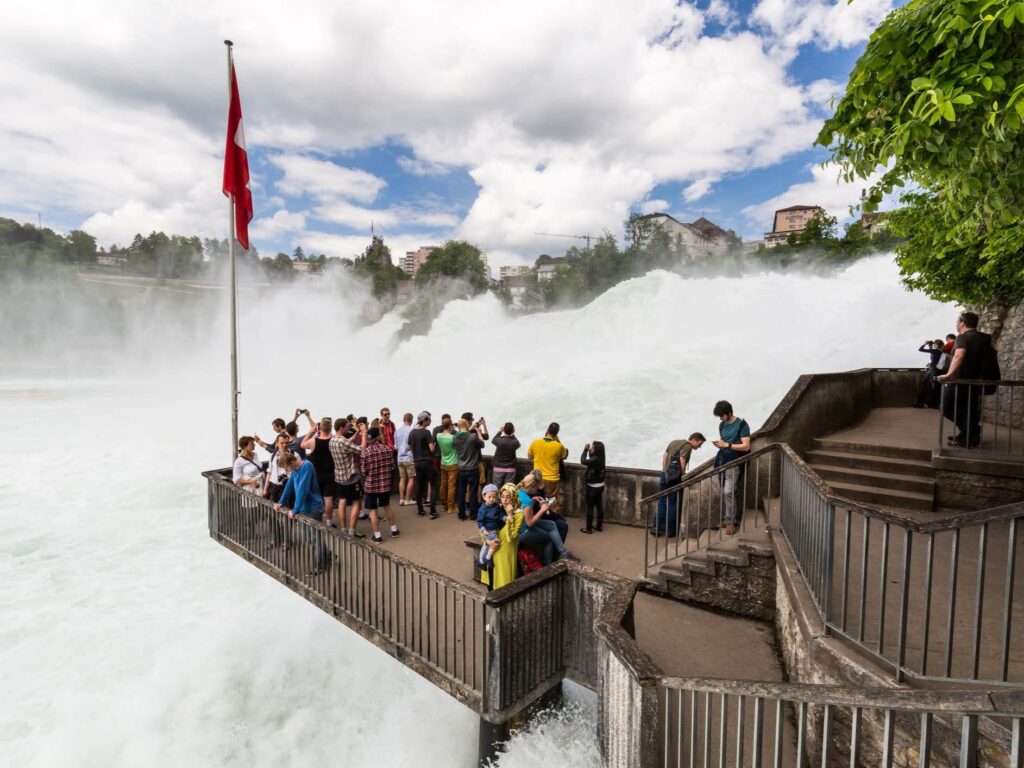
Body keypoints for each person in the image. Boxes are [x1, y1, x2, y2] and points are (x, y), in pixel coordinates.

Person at [937, 312, 994, 448]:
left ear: (962, 323)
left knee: (946, 407)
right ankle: (968, 436)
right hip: (974, 381)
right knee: (969, 409)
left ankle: (970, 432)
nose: (956, 324)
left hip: (959, 381)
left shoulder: (962, 337)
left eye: (957, 322)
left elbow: (959, 355)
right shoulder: (982, 338)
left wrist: (948, 375)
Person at [274, 453, 330, 574]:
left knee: (316, 538)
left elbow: (302, 489)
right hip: (303, 509)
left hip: (314, 507)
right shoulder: (295, 470)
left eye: (286, 468)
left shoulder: (307, 466)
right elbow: (289, 486)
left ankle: (319, 566)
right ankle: (327, 555)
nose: (286, 470)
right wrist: (280, 502)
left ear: (291, 463)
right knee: (309, 538)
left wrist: (295, 509)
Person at [651, 433, 706, 537]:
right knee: (673, 504)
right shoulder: (687, 446)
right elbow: (682, 460)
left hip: (664, 475)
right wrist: (682, 475)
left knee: (662, 501)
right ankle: (670, 531)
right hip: (674, 479)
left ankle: (656, 528)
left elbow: (664, 456)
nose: (699, 447)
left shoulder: (674, 442)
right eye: (699, 443)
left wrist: (665, 471)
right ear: (694, 440)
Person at [516, 474, 577, 564]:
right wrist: (542, 510)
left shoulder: (520, 491)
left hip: (521, 522)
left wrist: (533, 499)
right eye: (537, 487)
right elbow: (530, 523)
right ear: (532, 486)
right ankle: (547, 564)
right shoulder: (527, 501)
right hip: (523, 529)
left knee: (551, 524)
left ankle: (563, 552)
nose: (538, 489)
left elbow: (523, 509)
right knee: (548, 538)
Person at [712, 401, 751, 536]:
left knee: (728, 491)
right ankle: (729, 517)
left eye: (722, 415)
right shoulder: (722, 425)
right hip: (723, 460)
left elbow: (746, 446)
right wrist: (721, 445)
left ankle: (731, 521)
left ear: (729, 413)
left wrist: (727, 445)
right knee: (726, 490)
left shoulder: (742, 425)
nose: (720, 418)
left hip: (735, 462)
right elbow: (725, 442)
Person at [359, 427, 399, 542]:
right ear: (378, 436)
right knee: (387, 506)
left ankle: (377, 536)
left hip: (371, 485)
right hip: (385, 484)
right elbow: (392, 466)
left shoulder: (365, 452)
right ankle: (394, 530)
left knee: (373, 510)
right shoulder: (387, 449)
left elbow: (364, 471)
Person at [481, 483, 524, 590]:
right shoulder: (495, 508)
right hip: (492, 550)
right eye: (502, 496)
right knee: (491, 581)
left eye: (508, 497)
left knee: (504, 584)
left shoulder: (519, 514)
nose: (504, 500)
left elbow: (511, 537)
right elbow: (481, 526)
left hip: (506, 552)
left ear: (514, 497)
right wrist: (487, 541)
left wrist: (510, 516)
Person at [329, 418, 364, 537]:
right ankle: (352, 531)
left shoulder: (332, 440)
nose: (348, 428)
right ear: (341, 427)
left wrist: (357, 432)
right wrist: (363, 433)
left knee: (342, 502)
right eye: (347, 426)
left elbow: (348, 442)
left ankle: (343, 529)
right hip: (351, 477)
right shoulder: (343, 441)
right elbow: (361, 449)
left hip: (339, 477)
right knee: (356, 502)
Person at [301, 417, 336, 526]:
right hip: (330, 473)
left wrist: (311, 431)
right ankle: (329, 522)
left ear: (320, 428)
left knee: (317, 498)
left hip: (316, 475)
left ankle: (318, 521)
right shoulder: (334, 440)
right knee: (328, 499)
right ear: (330, 428)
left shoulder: (313, 442)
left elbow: (302, 444)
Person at [528, 422, 569, 504]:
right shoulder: (558, 446)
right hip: (552, 479)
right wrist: (558, 441)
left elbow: (530, 457)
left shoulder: (536, 442)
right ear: (557, 433)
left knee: (537, 501)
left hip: (537, 477)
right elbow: (564, 456)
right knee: (550, 503)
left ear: (547, 430)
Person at [454, 418, 486, 520]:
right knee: (473, 492)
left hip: (461, 469)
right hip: (473, 468)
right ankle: (473, 515)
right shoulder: (473, 437)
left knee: (461, 492)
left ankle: (461, 515)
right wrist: (478, 431)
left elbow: (460, 433)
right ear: (467, 425)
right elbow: (482, 444)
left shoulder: (455, 438)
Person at [410, 412, 438, 518]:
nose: (430, 421)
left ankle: (420, 510)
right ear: (425, 420)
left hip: (417, 462)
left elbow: (409, 445)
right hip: (427, 462)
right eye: (429, 419)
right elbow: (431, 449)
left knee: (418, 485)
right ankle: (433, 511)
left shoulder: (412, 432)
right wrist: (434, 445)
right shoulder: (426, 432)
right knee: (434, 485)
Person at [579, 441, 606, 534]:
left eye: (592, 447)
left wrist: (585, 450)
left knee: (590, 507)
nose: (591, 448)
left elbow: (583, 461)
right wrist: (590, 452)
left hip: (592, 487)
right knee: (599, 506)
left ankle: (588, 529)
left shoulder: (595, 459)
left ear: (597, 450)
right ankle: (599, 526)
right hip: (600, 485)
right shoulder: (601, 458)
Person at [262, 431, 296, 502]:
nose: (284, 445)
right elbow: (269, 473)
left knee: (288, 509)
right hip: (275, 486)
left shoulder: (294, 454)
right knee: (274, 509)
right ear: (277, 443)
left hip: (289, 486)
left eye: (286, 443)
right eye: (282, 443)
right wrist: (265, 489)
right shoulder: (272, 456)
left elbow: (299, 471)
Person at [477, 484, 503, 569]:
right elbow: (480, 521)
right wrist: (483, 529)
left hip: (495, 529)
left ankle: (481, 561)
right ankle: (488, 558)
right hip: (488, 530)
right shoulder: (483, 509)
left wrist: (504, 517)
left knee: (487, 545)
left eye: (494, 497)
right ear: (484, 497)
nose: (492, 499)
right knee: (496, 543)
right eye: (489, 497)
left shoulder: (496, 506)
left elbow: (500, 515)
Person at [436, 418, 458, 514]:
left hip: (443, 463)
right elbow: (458, 437)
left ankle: (443, 505)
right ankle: (451, 507)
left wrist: (450, 427)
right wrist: (454, 428)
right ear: (450, 426)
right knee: (451, 486)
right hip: (453, 463)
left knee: (443, 485)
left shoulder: (438, 436)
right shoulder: (453, 437)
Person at [916, 339, 946, 408]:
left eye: (935, 344)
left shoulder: (935, 351)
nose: (934, 345)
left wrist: (925, 343)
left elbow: (920, 349)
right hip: (939, 371)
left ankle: (921, 403)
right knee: (936, 387)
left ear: (938, 345)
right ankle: (935, 404)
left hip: (933, 370)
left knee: (925, 385)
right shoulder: (943, 352)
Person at [394, 412, 416, 506]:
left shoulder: (397, 431)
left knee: (402, 478)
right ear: (411, 420)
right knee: (411, 478)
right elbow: (412, 445)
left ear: (404, 419)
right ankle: (407, 499)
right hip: (409, 457)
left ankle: (401, 499)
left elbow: (396, 446)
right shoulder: (411, 430)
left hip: (400, 458)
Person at [491, 423, 520, 489]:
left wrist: (499, 431)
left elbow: (493, 440)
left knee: (496, 488)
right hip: (510, 469)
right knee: (508, 489)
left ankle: (496, 500)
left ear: (504, 430)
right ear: (513, 430)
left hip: (498, 468)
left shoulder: (499, 441)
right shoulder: (515, 442)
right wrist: (513, 434)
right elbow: (518, 444)